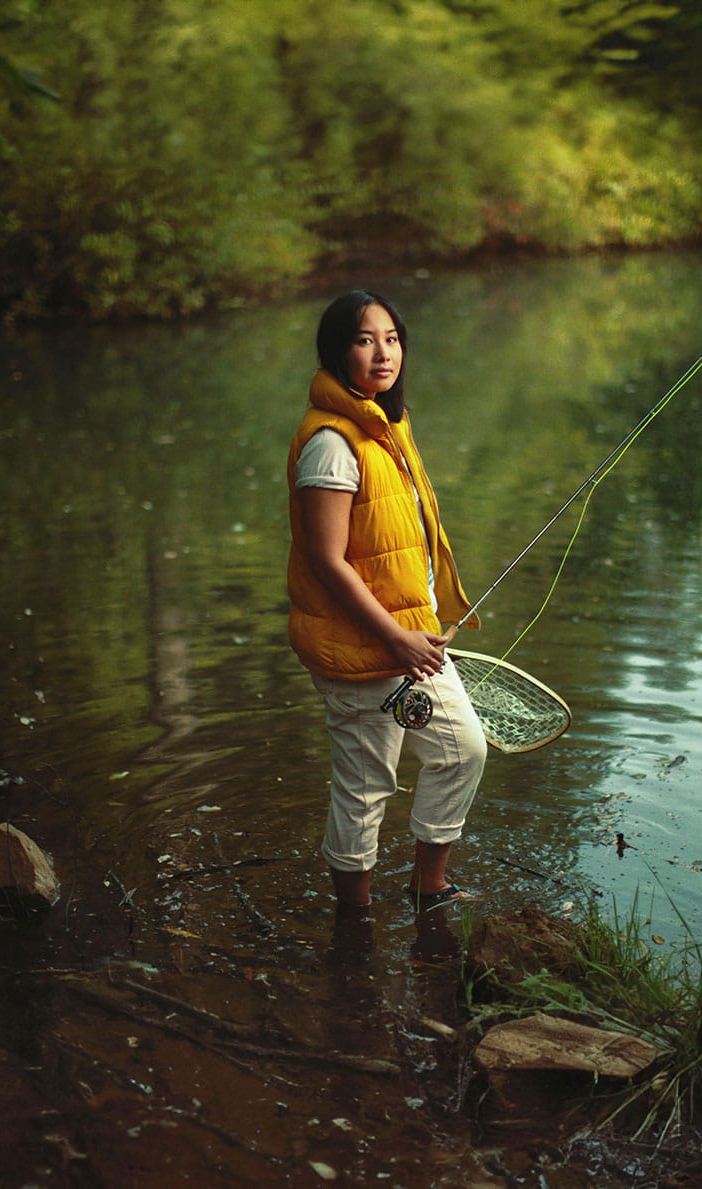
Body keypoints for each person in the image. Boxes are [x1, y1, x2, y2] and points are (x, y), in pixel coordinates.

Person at [287, 290, 487, 912]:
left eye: (392, 338)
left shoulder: (387, 427)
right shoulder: (331, 442)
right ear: (337, 350)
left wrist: (421, 620)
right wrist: (394, 636)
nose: (382, 352)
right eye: (364, 339)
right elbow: (327, 560)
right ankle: (355, 920)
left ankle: (430, 887)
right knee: (366, 786)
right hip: (364, 644)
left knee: (462, 750)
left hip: (412, 641)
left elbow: (404, 545)